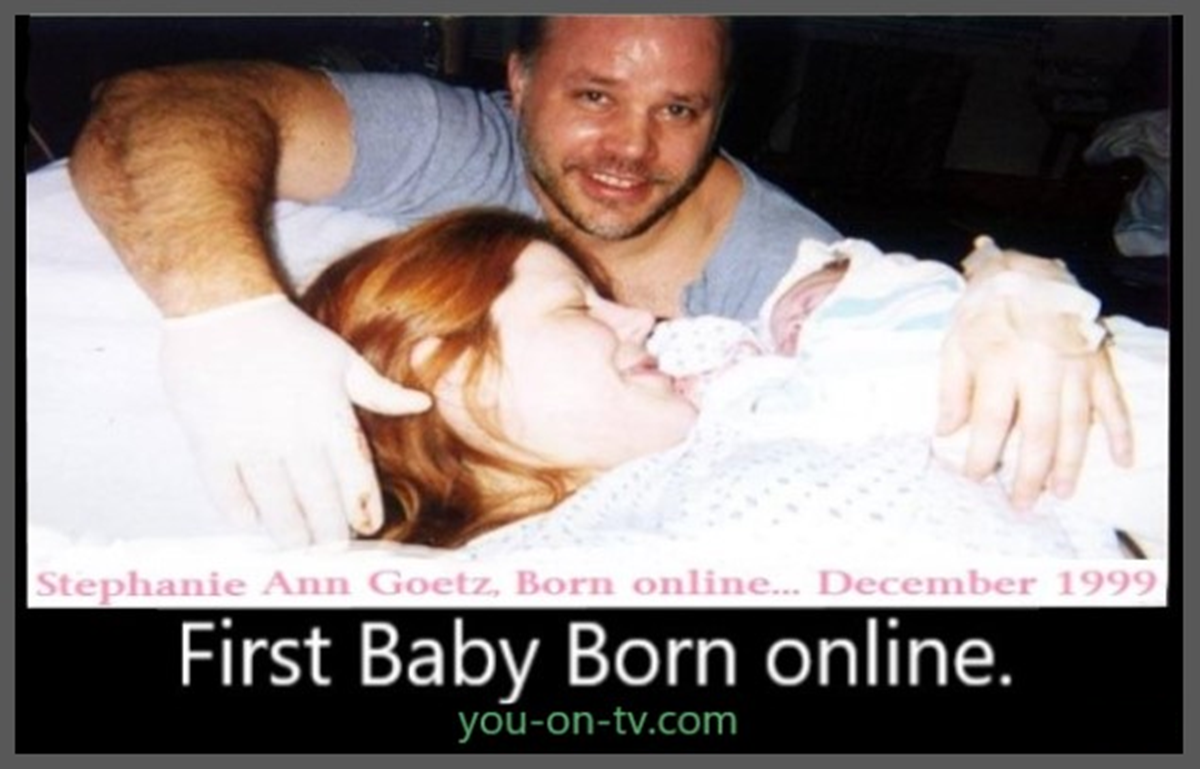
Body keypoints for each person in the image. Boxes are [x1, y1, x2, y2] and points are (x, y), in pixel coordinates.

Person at [67, 15, 1130, 546]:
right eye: (592, 95)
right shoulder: (459, 146)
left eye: (680, 110)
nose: (630, 150)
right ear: (520, 80)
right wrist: (228, 313)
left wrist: (1007, 281)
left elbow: (892, 344)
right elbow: (152, 110)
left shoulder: (757, 252)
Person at [301, 208, 1164, 560]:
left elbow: (844, 287)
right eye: (577, 309)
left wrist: (1002, 278)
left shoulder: (718, 391)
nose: (638, 320)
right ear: (442, 374)